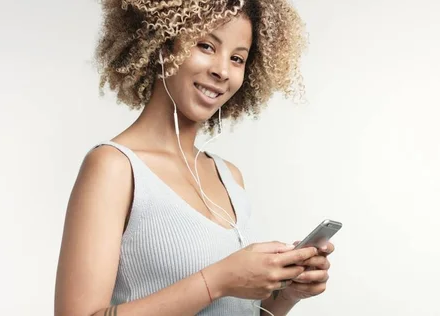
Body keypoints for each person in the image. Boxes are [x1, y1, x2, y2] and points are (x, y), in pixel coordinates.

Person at [54, 0, 335, 315]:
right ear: (163, 43)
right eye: (206, 46)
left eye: (237, 58)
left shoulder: (228, 176)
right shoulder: (115, 168)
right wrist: (218, 280)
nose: (222, 70)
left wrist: (286, 294)